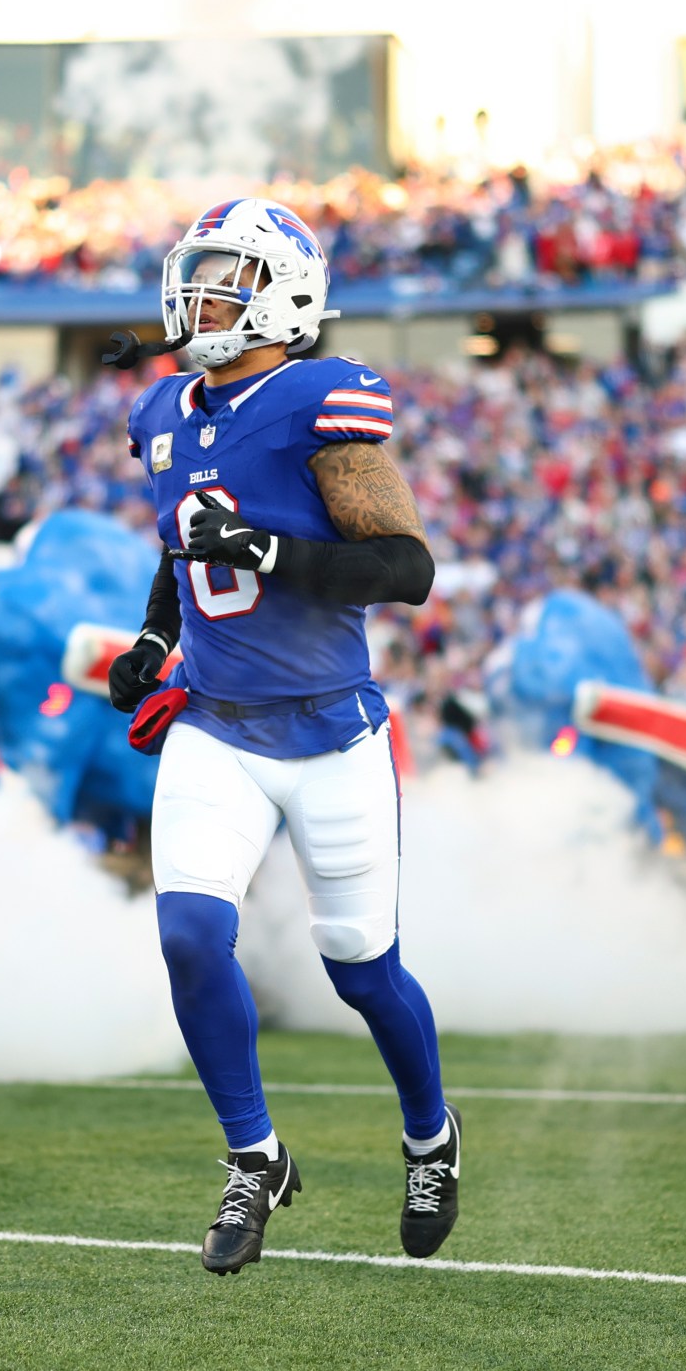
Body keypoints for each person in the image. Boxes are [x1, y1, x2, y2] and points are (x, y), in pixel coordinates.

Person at [103, 196, 454, 1275]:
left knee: (360, 967)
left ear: (285, 295)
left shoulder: (319, 398)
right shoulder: (163, 410)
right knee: (188, 937)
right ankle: (254, 1157)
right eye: (196, 275)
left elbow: (408, 569)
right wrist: (158, 641)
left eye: (226, 279)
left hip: (333, 732)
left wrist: (267, 551)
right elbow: (182, 548)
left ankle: (431, 1136)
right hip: (218, 728)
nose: (199, 297)